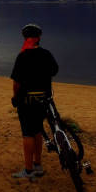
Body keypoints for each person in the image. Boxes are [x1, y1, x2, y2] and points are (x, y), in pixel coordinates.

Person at [10, 23, 59, 179]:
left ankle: (29, 170)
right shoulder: (46, 54)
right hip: (44, 100)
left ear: (25, 38)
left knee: (27, 134)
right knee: (37, 131)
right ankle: (38, 164)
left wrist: (16, 97)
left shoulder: (22, 56)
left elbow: (16, 83)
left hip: (27, 101)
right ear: (39, 38)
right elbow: (54, 71)